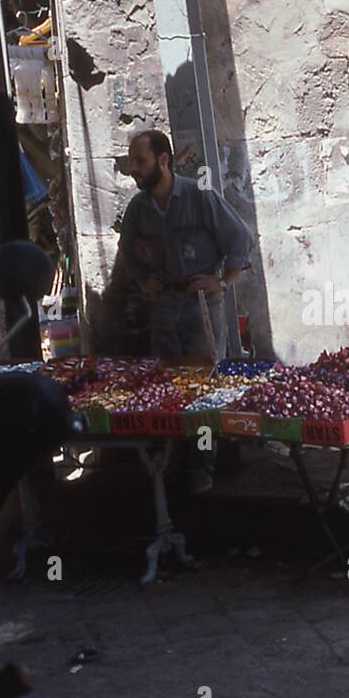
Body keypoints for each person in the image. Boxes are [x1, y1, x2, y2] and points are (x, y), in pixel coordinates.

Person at [119, 129, 253, 491]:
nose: (134, 170)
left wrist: (223, 283)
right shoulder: (139, 208)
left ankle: (203, 465)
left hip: (200, 307)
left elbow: (241, 239)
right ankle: (173, 461)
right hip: (164, 306)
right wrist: (143, 280)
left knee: (203, 391)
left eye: (140, 162)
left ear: (164, 160)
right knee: (168, 385)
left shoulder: (198, 195)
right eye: (132, 162)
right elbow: (127, 251)